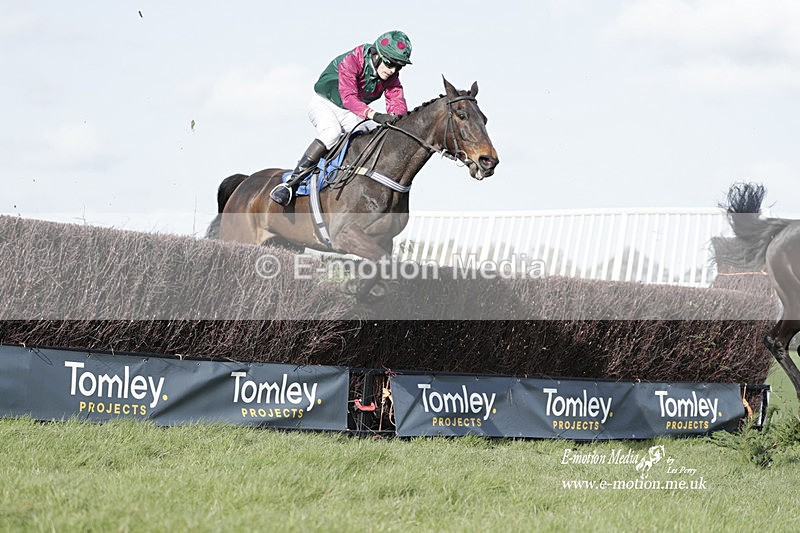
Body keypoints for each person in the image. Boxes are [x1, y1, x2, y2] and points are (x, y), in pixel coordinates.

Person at [270, 30, 413, 206]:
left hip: (351, 112)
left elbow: (397, 101)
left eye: (398, 67)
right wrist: (375, 115)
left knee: (372, 134)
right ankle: (291, 184)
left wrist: (399, 121)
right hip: (325, 103)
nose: (392, 71)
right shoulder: (352, 60)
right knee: (332, 133)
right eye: (390, 64)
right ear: (377, 55)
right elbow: (349, 98)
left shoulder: (391, 76)